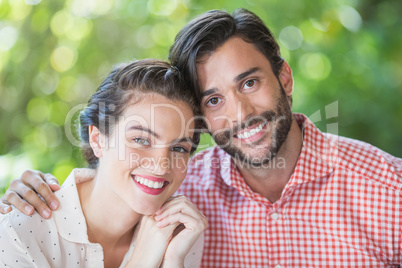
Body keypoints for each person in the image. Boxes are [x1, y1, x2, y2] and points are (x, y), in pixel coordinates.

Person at [2, 8, 402, 267]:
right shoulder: (177, 191)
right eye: (214, 98)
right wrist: (31, 188)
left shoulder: (387, 190)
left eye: (249, 82)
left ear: (284, 78)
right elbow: (116, 177)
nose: (241, 113)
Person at [0, 59, 207, 267]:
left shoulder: (182, 234)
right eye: (141, 140)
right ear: (98, 139)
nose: (162, 166)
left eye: (179, 148)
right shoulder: (19, 234)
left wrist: (173, 261)